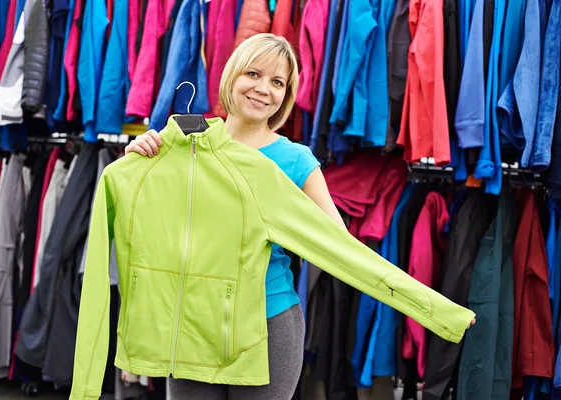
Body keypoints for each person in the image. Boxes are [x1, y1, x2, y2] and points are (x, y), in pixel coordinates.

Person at [124, 33, 474, 399]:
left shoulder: (295, 161)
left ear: (286, 95)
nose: (263, 89)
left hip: (269, 323)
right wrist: (137, 159)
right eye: (253, 74)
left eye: (277, 82)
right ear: (232, 75)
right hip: (194, 322)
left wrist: (441, 312)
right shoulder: (188, 142)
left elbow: (342, 250)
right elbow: (144, 219)